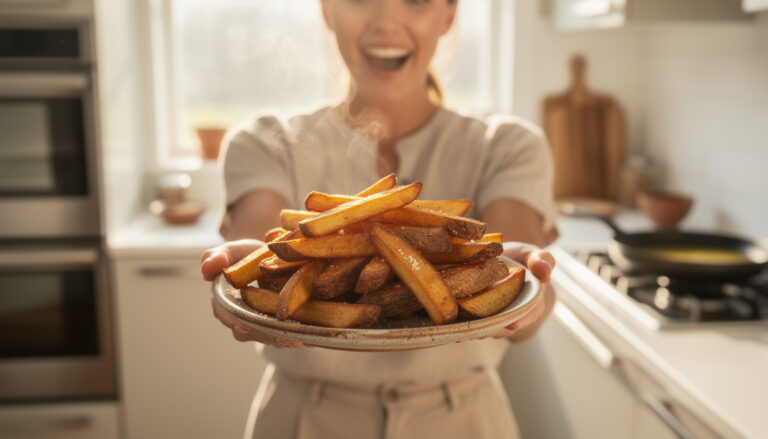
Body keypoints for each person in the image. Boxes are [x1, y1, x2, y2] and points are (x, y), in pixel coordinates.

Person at [200, 0, 559, 438]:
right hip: (303, 421)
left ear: (448, 15)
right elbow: (261, 256)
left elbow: (523, 287)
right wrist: (248, 273)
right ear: (327, 10)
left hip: (463, 421)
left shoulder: (507, 145)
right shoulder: (264, 141)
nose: (386, 21)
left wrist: (532, 293)